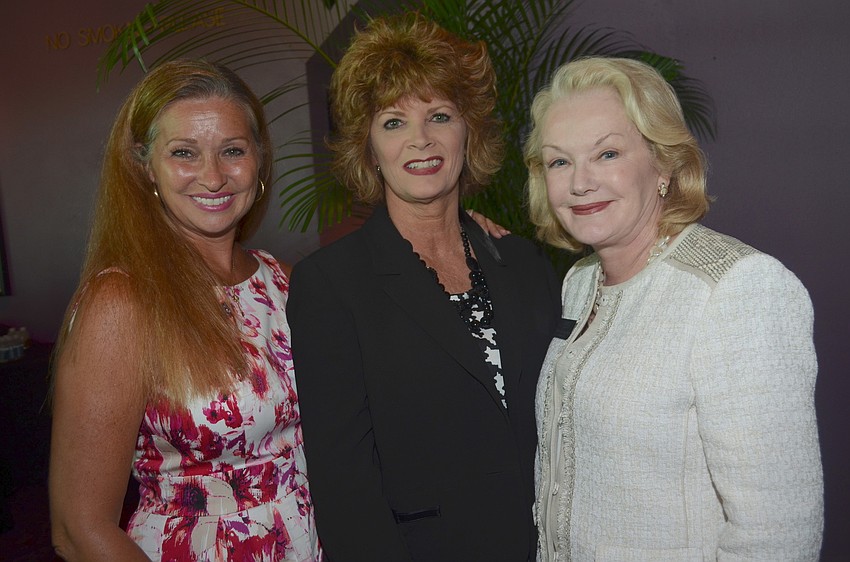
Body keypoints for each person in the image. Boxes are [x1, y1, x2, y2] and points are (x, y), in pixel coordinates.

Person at [523, 56, 823, 560]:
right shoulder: (580, 282)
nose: (579, 182)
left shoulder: (738, 289)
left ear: (662, 164)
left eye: (607, 153)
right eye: (559, 161)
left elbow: (779, 537)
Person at [285, 13, 560, 562]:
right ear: (368, 147)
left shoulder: (524, 262)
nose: (421, 140)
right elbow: (344, 486)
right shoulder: (330, 285)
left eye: (439, 115)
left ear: (468, 131)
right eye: (393, 122)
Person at [49, 59, 321, 561]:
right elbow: (77, 528)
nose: (213, 176)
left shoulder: (283, 281)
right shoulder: (122, 304)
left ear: (259, 160)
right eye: (184, 153)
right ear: (145, 166)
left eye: (233, 151)